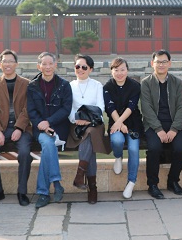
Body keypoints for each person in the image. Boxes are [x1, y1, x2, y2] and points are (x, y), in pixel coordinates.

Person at [0, 50, 32, 206]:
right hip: (0, 128)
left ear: (16, 64)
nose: (8, 64)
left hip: (21, 128)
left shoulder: (26, 83)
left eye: (11, 61)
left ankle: (22, 192)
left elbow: (27, 109)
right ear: (0, 64)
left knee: (24, 154)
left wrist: (19, 128)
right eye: (5, 61)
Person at [140, 49, 182, 199]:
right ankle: (152, 185)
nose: (161, 65)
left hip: (174, 124)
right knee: (154, 148)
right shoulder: (146, 83)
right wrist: (158, 129)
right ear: (152, 63)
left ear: (169, 63)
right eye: (158, 62)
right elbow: (146, 109)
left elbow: (181, 107)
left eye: (164, 62)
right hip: (153, 124)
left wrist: (174, 129)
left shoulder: (177, 82)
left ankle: (173, 180)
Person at [28, 52, 72, 209]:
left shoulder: (64, 85)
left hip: (59, 127)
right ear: (38, 66)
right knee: (47, 143)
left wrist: (49, 122)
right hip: (40, 128)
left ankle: (43, 193)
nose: (47, 67)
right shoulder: (32, 86)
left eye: (50, 63)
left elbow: (66, 108)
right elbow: (31, 110)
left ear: (55, 65)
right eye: (44, 64)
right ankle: (56, 183)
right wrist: (42, 124)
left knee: (48, 148)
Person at [66, 54, 109, 204]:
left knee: (90, 133)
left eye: (84, 67)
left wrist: (89, 120)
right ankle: (92, 187)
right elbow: (68, 108)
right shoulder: (70, 86)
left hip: (95, 124)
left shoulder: (97, 85)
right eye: (77, 66)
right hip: (76, 126)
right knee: (89, 143)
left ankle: (80, 175)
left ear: (90, 69)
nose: (80, 69)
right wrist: (76, 119)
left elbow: (100, 108)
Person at [103, 57, 143, 199]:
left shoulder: (135, 86)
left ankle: (131, 182)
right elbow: (109, 107)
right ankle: (118, 156)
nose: (119, 73)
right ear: (111, 71)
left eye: (122, 70)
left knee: (133, 149)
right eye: (116, 70)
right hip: (115, 121)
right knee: (117, 140)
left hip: (133, 122)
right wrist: (119, 124)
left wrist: (121, 123)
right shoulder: (107, 87)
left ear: (127, 70)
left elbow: (131, 106)